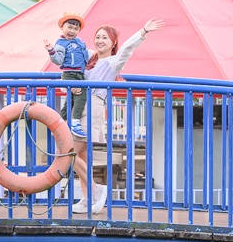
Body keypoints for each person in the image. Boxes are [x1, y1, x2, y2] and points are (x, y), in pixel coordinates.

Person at [70, 18, 165, 213]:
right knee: (80, 156)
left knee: (66, 153)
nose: (100, 40)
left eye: (105, 37)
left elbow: (127, 50)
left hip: (92, 106)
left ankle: (97, 191)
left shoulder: (113, 62)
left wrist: (143, 31)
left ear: (113, 42)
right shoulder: (90, 57)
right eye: (97, 37)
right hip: (77, 107)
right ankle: (87, 198)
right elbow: (71, 54)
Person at [44, 13, 89, 139]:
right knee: (81, 95)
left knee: (70, 101)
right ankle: (75, 122)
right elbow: (58, 60)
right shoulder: (61, 43)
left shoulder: (79, 41)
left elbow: (85, 55)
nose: (72, 31)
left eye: (76, 29)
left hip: (79, 73)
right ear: (62, 27)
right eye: (69, 27)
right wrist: (51, 51)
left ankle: (59, 122)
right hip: (69, 74)